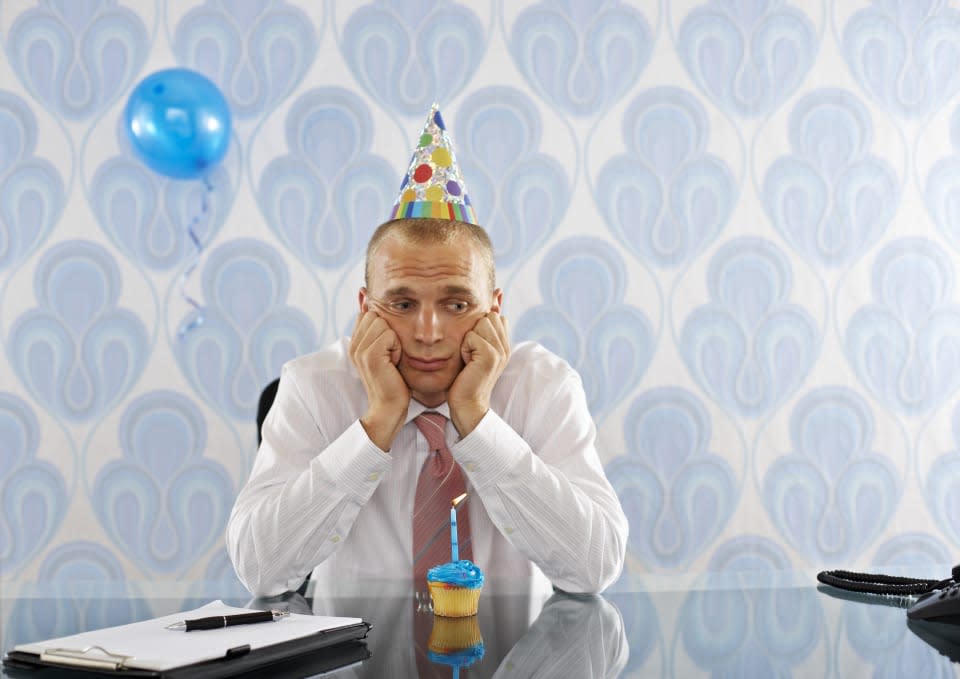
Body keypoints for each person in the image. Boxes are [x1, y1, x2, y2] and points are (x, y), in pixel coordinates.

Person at [226, 105, 628, 598]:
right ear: (365, 309)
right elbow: (260, 571)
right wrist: (377, 425)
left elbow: (595, 568)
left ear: (495, 310)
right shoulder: (312, 385)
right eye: (402, 303)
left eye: (457, 303)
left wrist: (478, 421)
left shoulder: (544, 386)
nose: (429, 331)